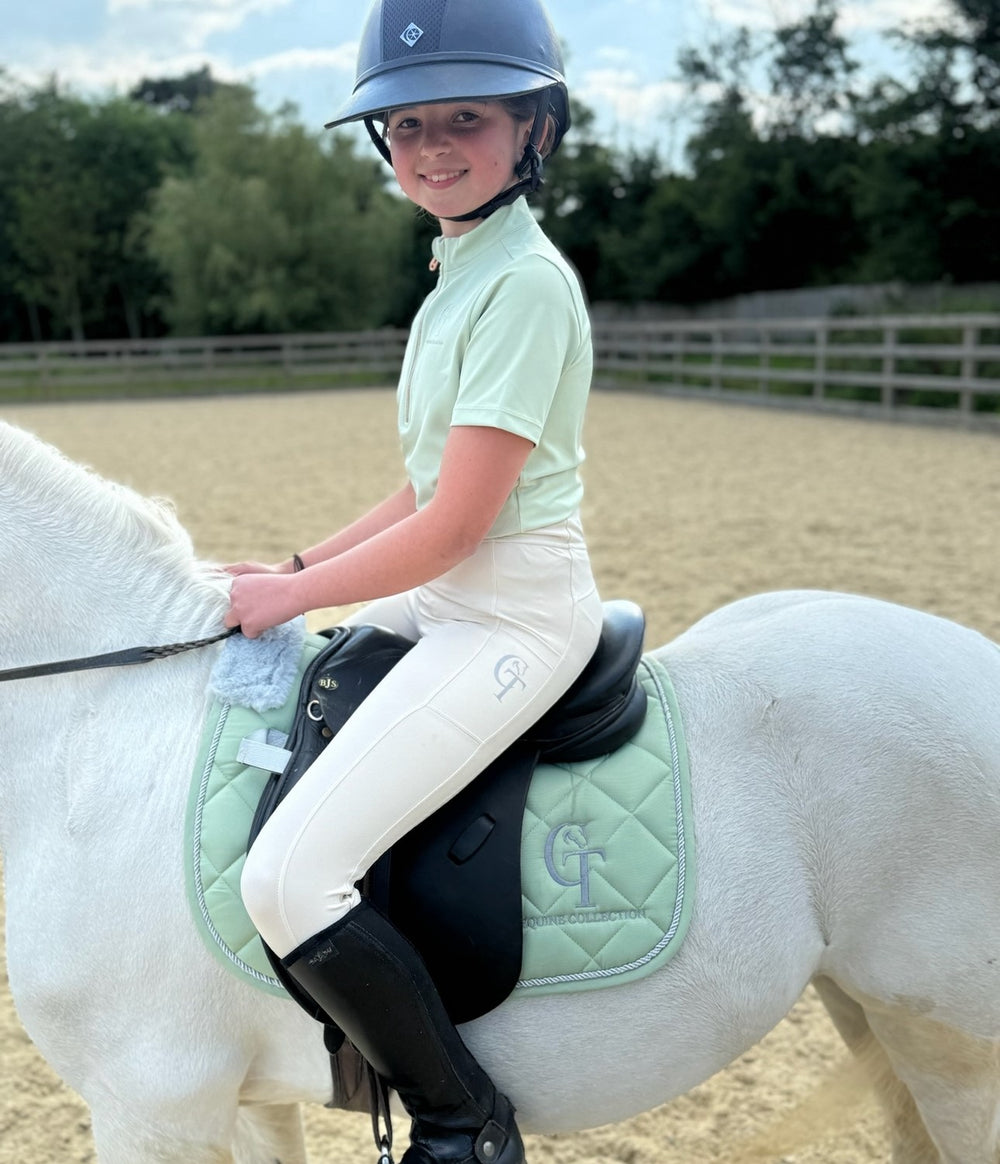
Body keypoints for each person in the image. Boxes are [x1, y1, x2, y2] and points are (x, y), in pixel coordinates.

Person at [224, 2, 603, 1161]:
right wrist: (292, 568)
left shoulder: (523, 285)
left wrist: (297, 597)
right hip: (452, 588)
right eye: (408, 125)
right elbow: (416, 490)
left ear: (532, 130)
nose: (432, 146)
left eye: (467, 120)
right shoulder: (461, 269)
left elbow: (454, 525)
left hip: (511, 610)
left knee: (289, 879)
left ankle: (466, 1121)